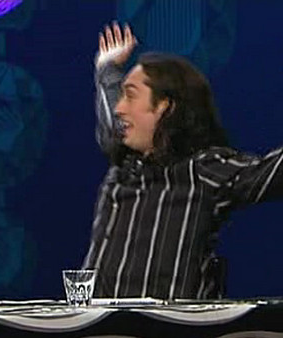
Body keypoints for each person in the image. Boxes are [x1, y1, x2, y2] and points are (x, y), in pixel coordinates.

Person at [83, 22, 283, 300]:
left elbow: (270, 174)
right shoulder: (125, 163)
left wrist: (109, 71)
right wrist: (107, 69)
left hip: (173, 327)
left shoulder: (202, 172)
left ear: (166, 107)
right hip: (95, 325)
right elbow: (112, 121)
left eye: (130, 96)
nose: (119, 108)